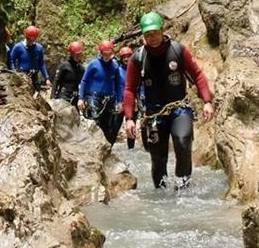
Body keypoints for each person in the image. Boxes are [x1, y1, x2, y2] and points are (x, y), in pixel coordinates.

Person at [123, 11, 214, 190]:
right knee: (158, 159)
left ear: (162, 30)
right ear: (143, 36)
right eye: (148, 34)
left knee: (183, 141)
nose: (153, 37)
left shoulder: (178, 50)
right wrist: (129, 118)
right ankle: (162, 194)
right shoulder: (138, 59)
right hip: (154, 114)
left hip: (179, 108)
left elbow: (197, 75)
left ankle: (182, 188)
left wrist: (207, 101)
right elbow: (129, 89)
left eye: (155, 32)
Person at [78, 40, 123, 144]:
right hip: (94, 97)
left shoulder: (115, 66)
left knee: (109, 126)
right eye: (105, 54)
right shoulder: (93, 64)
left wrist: (120, 101)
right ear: (101, 52)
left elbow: (118, 84)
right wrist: (81, 98)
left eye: (109, 54)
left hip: (109, 99)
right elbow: (84, 81)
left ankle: (107, 150)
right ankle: (94, 147)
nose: (107, 56)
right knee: (96, 122)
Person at [9, 25, 51, 91]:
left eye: (32, 39)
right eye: (28, 39)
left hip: (34, 77)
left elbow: (41, 63)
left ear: (35, 38)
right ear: (26, 36)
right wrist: (14, 72)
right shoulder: (18, 47)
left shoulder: (39, 48)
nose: (30, 41)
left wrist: (47, 78)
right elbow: (11, 60)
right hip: (22, 76)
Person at [109, 46, 134, 147]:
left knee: (131, 128)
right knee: (114, 128)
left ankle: (131, 150)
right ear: (121, 58)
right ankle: (109, 148)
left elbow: (139, 86)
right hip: (120, 103)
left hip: (132, 103)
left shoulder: (135, 70)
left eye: (128, 57)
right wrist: (116, 102)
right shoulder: (117, 71)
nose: (126, 59)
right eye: (124, 57)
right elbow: (113, 87)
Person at [51, 41, 85, 106]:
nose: (78, 56)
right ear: (71, 54)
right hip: (63, 97)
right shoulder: (64, 66)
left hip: (75, 98)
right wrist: (52, 97)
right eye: (76, 54)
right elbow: (56, 81)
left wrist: (82, 98)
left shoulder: (81, 69)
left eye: (79, 54)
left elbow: (83, 84)